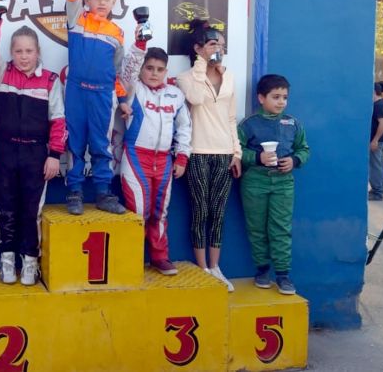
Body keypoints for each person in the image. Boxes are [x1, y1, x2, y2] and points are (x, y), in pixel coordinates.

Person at [0, 0, 67, 285]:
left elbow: (58, 120)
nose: (23, 56)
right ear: (11, 52)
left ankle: (30, 262)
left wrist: (54, 155)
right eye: (18, 51)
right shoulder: (1, 72)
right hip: (4, 150)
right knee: (5, 209)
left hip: (35, 154)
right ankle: (7, 259)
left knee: (31, 211)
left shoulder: (50, 80)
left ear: (38, 51)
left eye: (29, 50)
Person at [62, 0, 136, 216]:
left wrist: (121, 100)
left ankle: (104, 193)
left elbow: (116, 73)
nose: (101, 2)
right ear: (87, 0)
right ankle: (74, 192)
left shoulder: (117, 33)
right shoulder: (76, 19)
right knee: (76, 144)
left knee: (101, 146)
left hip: (103, 96)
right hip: (77, 92)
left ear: (114, 2)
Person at [176, 20, 242, 292]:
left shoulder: (230, 77)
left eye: (222, 46)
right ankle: (202, 269)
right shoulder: (186, 78)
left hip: (224, 153)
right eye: (213, 44)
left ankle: (216, 268)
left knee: (218, 213)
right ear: (198, 48)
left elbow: (230, 118)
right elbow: (195, 98)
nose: (219, 50)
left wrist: (236, 152)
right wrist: (203, 64)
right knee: (200, 211)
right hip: (199, 153)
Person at [118, 46, 192, 275]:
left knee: (160, 211)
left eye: (159, 69)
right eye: (149, 68)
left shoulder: (176, 94)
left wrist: (182, 157)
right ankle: (131, 258)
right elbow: (126, 73)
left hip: (164, 160)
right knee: (139, 210)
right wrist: (139, 47)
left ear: (166, 71)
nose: (154, 73)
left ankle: (160, 257)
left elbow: (185, 127)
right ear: (141, 69)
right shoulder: (134, 89)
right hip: (135, 155)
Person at [238, 74, 310, 295]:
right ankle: (262, 271)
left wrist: (295, 161)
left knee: (280, 228)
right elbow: (236, 150)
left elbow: (304, 149)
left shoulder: (293, 123)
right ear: (261, 98)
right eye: (275, 96)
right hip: (255, 182)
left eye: (285, 97)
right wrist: (256, 158)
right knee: (257, 227)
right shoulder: (248, 124)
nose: (281, 102)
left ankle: (283, 275)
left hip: (283, 183)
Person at [369, 81, 383, 201]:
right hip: (379, 141)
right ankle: (379, 187)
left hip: (377, 141)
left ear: (373, 92)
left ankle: (377, 192)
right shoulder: (379, 104)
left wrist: (374, 140)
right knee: (379, 165)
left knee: (375, 166)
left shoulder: (379, 105)